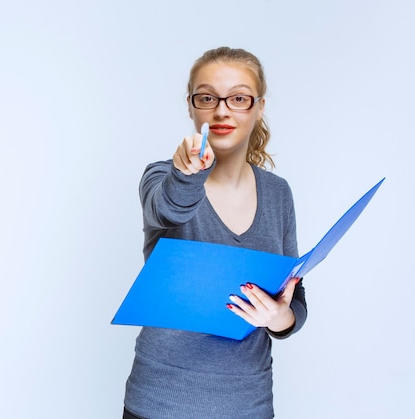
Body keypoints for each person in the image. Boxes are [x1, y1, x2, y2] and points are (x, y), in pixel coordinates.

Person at [123, 46, 307, 419]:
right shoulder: (161, 177)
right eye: (208, 97)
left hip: (248, 403)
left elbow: (294, 296)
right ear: (192, 107)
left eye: (238, 98)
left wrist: (278, 318)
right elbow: (169, 208)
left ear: (258, 107)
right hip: (159, 403)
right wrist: (187, 173)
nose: (222, 110)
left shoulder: (278, 193)